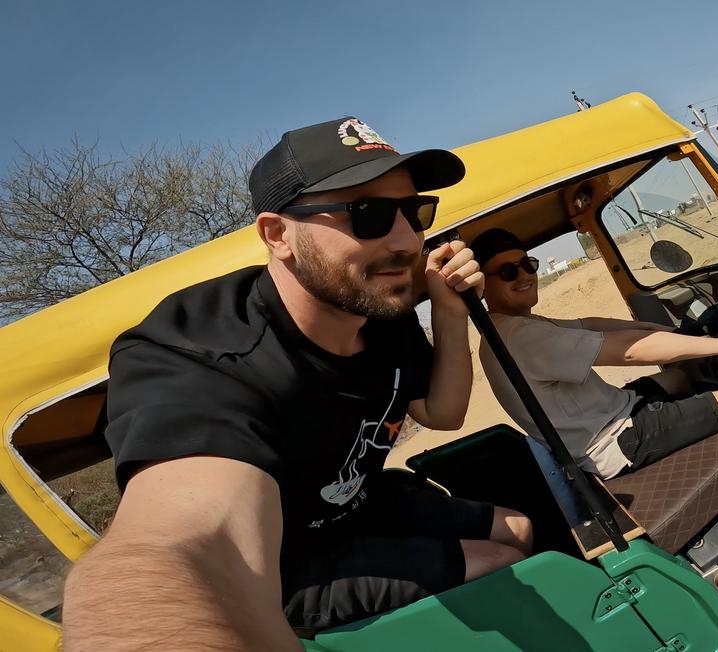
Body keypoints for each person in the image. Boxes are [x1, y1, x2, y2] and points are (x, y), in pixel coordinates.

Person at [62, 118, 533, 650]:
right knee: (497, 560)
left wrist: (448, 310)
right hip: (287, 562)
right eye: (369, 213)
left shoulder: (377, 306)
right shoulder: (202, 355)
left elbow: (443, 414)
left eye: (415, 211)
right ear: (278, 234)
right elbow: (180, 543)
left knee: (518, 527)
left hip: (362, 504)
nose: (407, 240)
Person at [471, 228, 718, 535]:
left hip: (610, 417)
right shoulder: (519, 335)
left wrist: (662, 330)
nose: (524, 275)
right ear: (482, 285)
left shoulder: (514, 326)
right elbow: (627, 352)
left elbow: (592, 326)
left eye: (528, 265)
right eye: (507, 272)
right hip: (619, 441)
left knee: (678, 377)